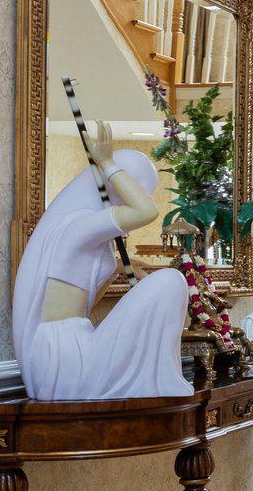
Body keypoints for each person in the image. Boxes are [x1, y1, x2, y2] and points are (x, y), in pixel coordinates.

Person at [11, 123, 191, 400]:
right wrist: (106, 162)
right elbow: (145, 211)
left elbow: (85, 302)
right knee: (171, 281)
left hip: (76, 340)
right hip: (62, 355)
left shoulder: (98, 246)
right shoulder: (76, 227)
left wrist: (117, 270)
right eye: (135, 189)